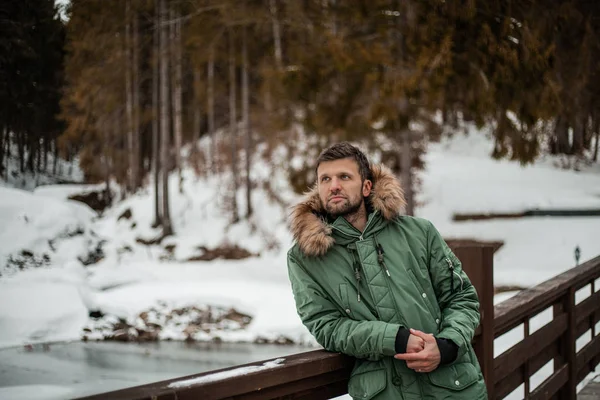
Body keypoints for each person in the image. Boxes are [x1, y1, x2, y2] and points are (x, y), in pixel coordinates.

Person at [287, 142, 487, 399]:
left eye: (344, 177)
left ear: (366, 186)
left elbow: (462, 298)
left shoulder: (419, 232)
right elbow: (326, 326)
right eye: (325, 179)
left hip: (453, 388)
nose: (333, 185)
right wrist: (393, 338)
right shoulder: (305, 258)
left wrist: (447, 345)